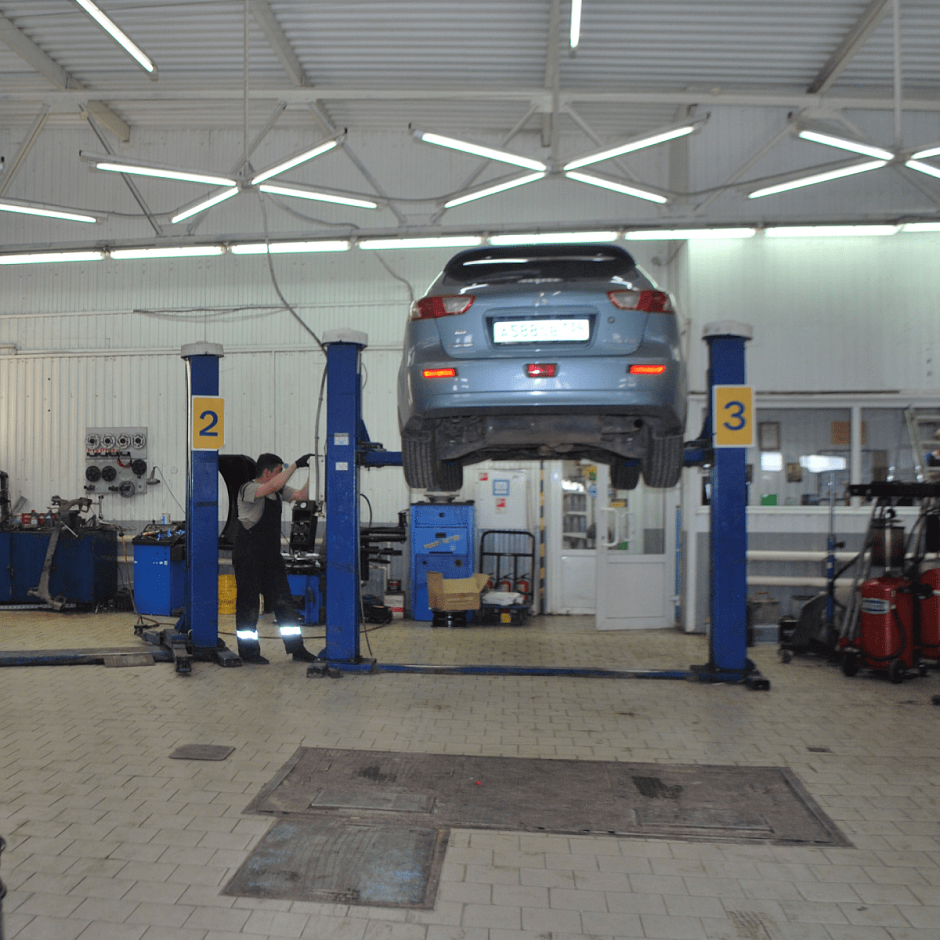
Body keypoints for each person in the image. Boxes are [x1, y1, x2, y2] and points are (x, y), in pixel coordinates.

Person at [233, 452, 318, 664]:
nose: (283, 475)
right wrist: (295, 465)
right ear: (267, 472)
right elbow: (271, 486)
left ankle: (297, 649)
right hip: (248, 555)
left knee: (284, 602)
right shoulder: (248, 488)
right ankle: (249, 653)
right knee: (249, 605)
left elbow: (301, 496)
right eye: (280, 471)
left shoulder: (278, 491)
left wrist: (316, 471)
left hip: (270, 556)